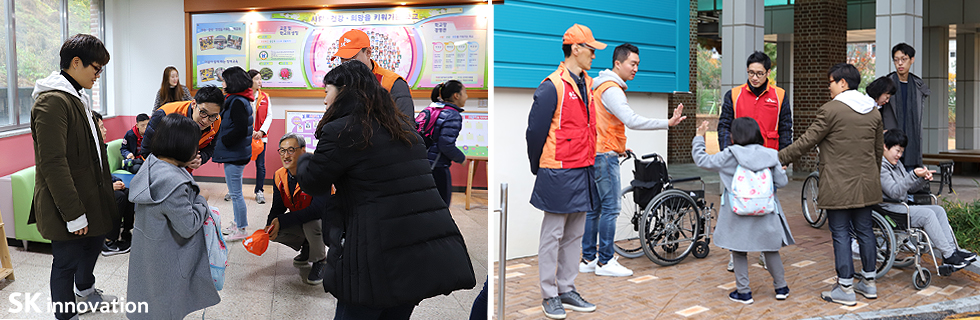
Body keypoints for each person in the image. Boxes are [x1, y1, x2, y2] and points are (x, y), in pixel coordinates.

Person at [295, 61, 475, 319]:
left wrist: (304, 159)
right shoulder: (403, 127)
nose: (324, 99)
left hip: (374, 254)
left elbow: (314, 182)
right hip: (420, 254)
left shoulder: (342, 130)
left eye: (327, 91)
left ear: (343, 91)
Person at [778, 63, 883, 306]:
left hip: (838, 184)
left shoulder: (831, 110)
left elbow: (806, 142)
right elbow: (878, 151)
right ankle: (869, 283)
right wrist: (871, 175)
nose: (829, 87)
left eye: (831, 82)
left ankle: (845, 288)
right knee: (866, 231)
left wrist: (779, 158)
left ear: (843, 83)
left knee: (841, 234)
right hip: (866, 182)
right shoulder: (874, 111)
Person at [30, 33, 118, 320]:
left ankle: (86, 291)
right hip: (67, 203)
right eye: (96, 69)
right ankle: (66, 315)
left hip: (89, 197)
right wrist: (73, 213)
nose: (98, 75)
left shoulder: (77, 97)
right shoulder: (52, 101)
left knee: (93, 246)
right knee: (66, 262)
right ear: (76, 63)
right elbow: (53, 163)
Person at [580, 43, 686, 278]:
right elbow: (632, 120)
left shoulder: (599, 87)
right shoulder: (612, 89)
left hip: (597, 153)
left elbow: (603, 124)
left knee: (594, 208)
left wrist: (619, 146)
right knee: (611, 208)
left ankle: (588, 258)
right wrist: (666, 123)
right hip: (604, 157)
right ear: (618, 63)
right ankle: (605, 261)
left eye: (638, 64)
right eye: (633, 63)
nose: (636, 68)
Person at [525, 23, 604, 319]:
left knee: (575, 235)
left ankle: (566, 288)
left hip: (583, 167)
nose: (594, 55)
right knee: (553, 234)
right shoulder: (552, 86)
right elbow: (534, 133)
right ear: (575, 49)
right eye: (591, 49)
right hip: (557, 170)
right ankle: (549, 294)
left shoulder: (588, 83)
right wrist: (539, 167)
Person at [127, 113, 220, 319]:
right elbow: (188, 225)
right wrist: (202, 200)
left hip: (150, 251)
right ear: (183, 145)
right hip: (169, 257)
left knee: (149, 297)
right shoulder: (173, 183)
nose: (197, 150)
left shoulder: (152, 164)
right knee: (167, 304)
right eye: (195, 144)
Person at [693, 117, 794, 304]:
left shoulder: (729, 154)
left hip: (737, 212)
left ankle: (744, 293)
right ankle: (781, 288)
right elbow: (782, 182)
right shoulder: (771, 154)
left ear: (734, 135)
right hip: (766, 211)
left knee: (739, 251)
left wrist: (699, 137)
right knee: (771, 250)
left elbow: (702, 160)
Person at [717, 51, 792, 272]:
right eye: (751, 73)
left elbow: (786, 127)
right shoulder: (734, 94)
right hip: (738, 161)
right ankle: (735, 252)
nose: (755, 77)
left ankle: (764, 251)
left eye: (759, 73)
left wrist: (784, 157)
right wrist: (726, 153)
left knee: (767, 207)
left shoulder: (779, 95)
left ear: (768, 72)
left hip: (767, 162)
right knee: (735, 206)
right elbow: (724, 125)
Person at [879, 129, 977, 268]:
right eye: (897, 150)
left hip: (902, 206)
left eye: (901, 152)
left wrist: (922, 179)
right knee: (928, 215)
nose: (899, 155)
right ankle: (949, 256)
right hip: (891, 210)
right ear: (885, 146)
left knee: (938, 210)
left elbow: (910, 189)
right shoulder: (880, 167)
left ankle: (951, 252)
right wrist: (913, 174)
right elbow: (894, 192)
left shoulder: (896, 164)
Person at [264, 133, 329, 285]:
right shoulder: (279, 176)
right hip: (303, 218)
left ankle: (321, 261)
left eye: (291, 150)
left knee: (311, 223)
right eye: (282, 150)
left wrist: (282, 220)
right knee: (275, 229)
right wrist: (269, 225)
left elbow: (318, 210)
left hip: (328, 222)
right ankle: (307, 248)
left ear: (303, 151)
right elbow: (278, 206)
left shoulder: (318, 173)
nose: (286, 155)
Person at [141, 85, 225, 174]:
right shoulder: (165, 114)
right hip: (156, 170)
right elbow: (146, 150)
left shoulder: (216, 121)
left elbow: (210, 147)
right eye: (203, 112)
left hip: (185, 172)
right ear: (194, 104)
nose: (205, 120)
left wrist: (200, 159)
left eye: (213, 116)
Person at [333, 28, 415, 117]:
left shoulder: (392, 82)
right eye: (342, 58)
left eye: (351, 57)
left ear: (368, 53)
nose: (346, 64)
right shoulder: (340, 84)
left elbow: (406, 125)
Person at [215, 66, 254, 241]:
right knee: (235, 192)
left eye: (224, 80)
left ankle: (241, 229)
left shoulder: (237, 101)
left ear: (232, 82)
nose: (222, 83)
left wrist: (223, 141)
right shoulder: (238, 99)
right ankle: (238, 222)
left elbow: (239, 129)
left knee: (236, 194)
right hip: (236, 153)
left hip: (235, 154)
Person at [882, 43, 930, 172]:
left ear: (912, 60)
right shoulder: (886, 84)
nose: (900, 64)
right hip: (891, 139)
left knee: (910, 177)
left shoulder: (918, 85)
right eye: (896, 60)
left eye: (904, 59)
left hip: (912, 140)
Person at [92, 112, 134, 256]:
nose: (105, 130)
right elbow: (88, 179)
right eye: (101, 127)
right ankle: (108, 241)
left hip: (99, 186)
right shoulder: (88, 151)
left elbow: (102, 173)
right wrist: (109, 187)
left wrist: (115, 180)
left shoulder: (101, 147)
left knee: (127, 191)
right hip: (89, 192)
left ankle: (126, 231)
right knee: (118, 197)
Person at [427, 80, 468, 205]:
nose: (467, 96)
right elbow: (445, 144)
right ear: (456, 95)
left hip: (422, 163)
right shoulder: (453, 115)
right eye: (465, 93)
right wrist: (461, 158)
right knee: (442, 205)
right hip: (437, 166)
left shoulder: (432, 108)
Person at [249, 69, 272, 204]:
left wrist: (261, 131)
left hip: (261, 137)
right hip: (246, 136)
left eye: (260, 78)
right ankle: (234, 190)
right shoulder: (244, 97)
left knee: (260, 165)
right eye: (257, 79)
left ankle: (259, 191)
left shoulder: (265, 97)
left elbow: (269, 115)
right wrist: (250, 131)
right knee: (239, 163)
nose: (260, 81)